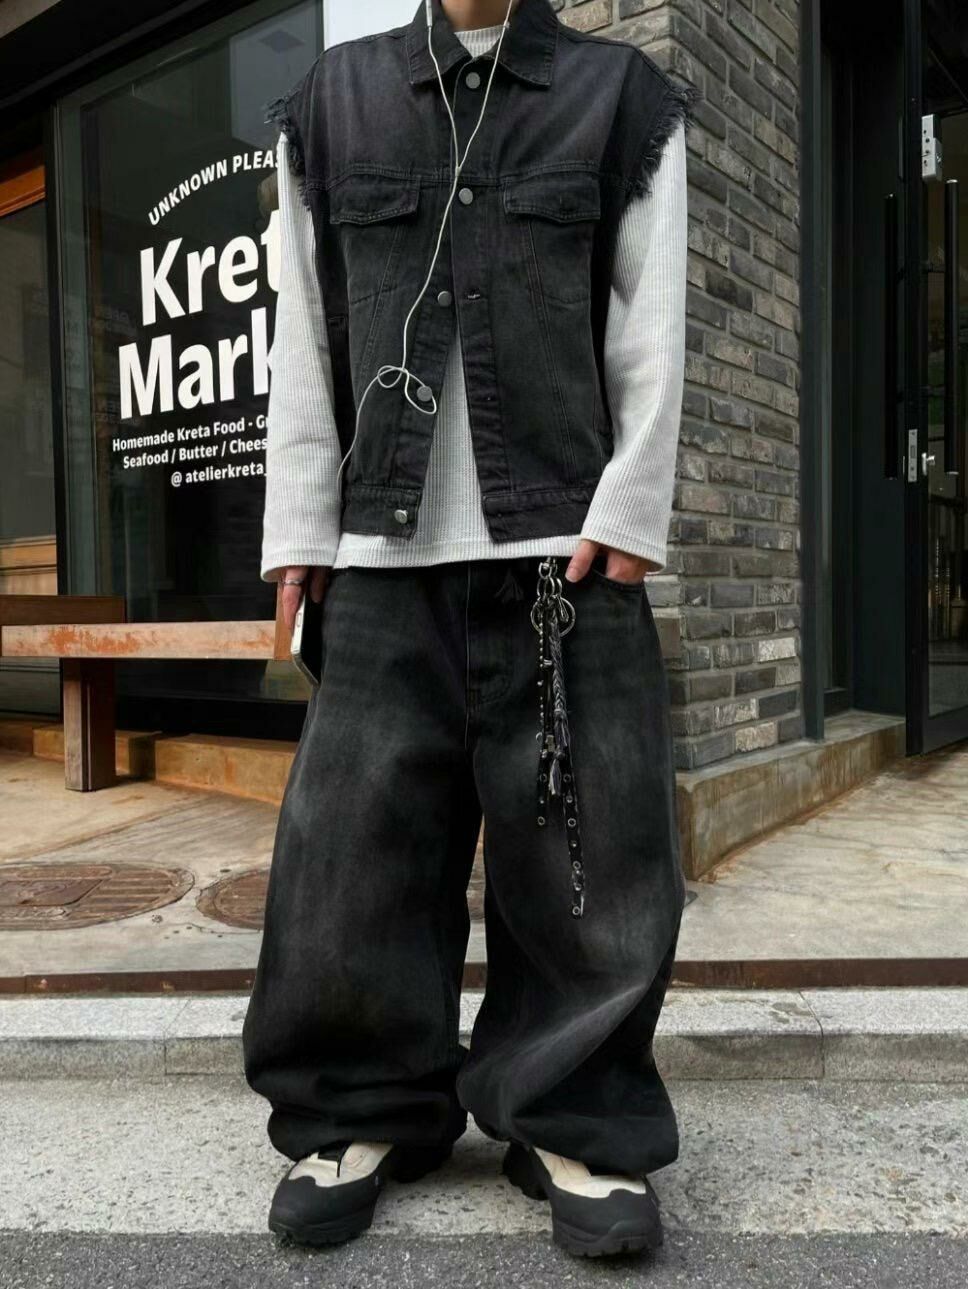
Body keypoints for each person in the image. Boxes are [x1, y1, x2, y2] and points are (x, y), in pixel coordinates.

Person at [242, 0, 697, 1260]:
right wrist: (299, 530)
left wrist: (630, 507)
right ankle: (361, 1107)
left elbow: (651, 318)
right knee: (351, 858)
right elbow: (302, 329)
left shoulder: (619, 97)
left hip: (565, 551)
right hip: (379, 561)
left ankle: (574, 1116)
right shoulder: (333, 102)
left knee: (589, 865)